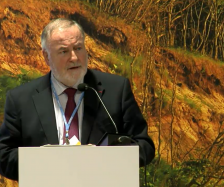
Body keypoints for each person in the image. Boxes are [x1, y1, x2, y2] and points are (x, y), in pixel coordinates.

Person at [0, 18, 155, 181]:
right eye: (64, 51)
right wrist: (43, 160)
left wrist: (106, 158)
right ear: (46, 57)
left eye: (78, 48)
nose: (74, 57)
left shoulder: (115, 89)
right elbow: (3, 156)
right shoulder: (21, 99)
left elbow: (144, 146)